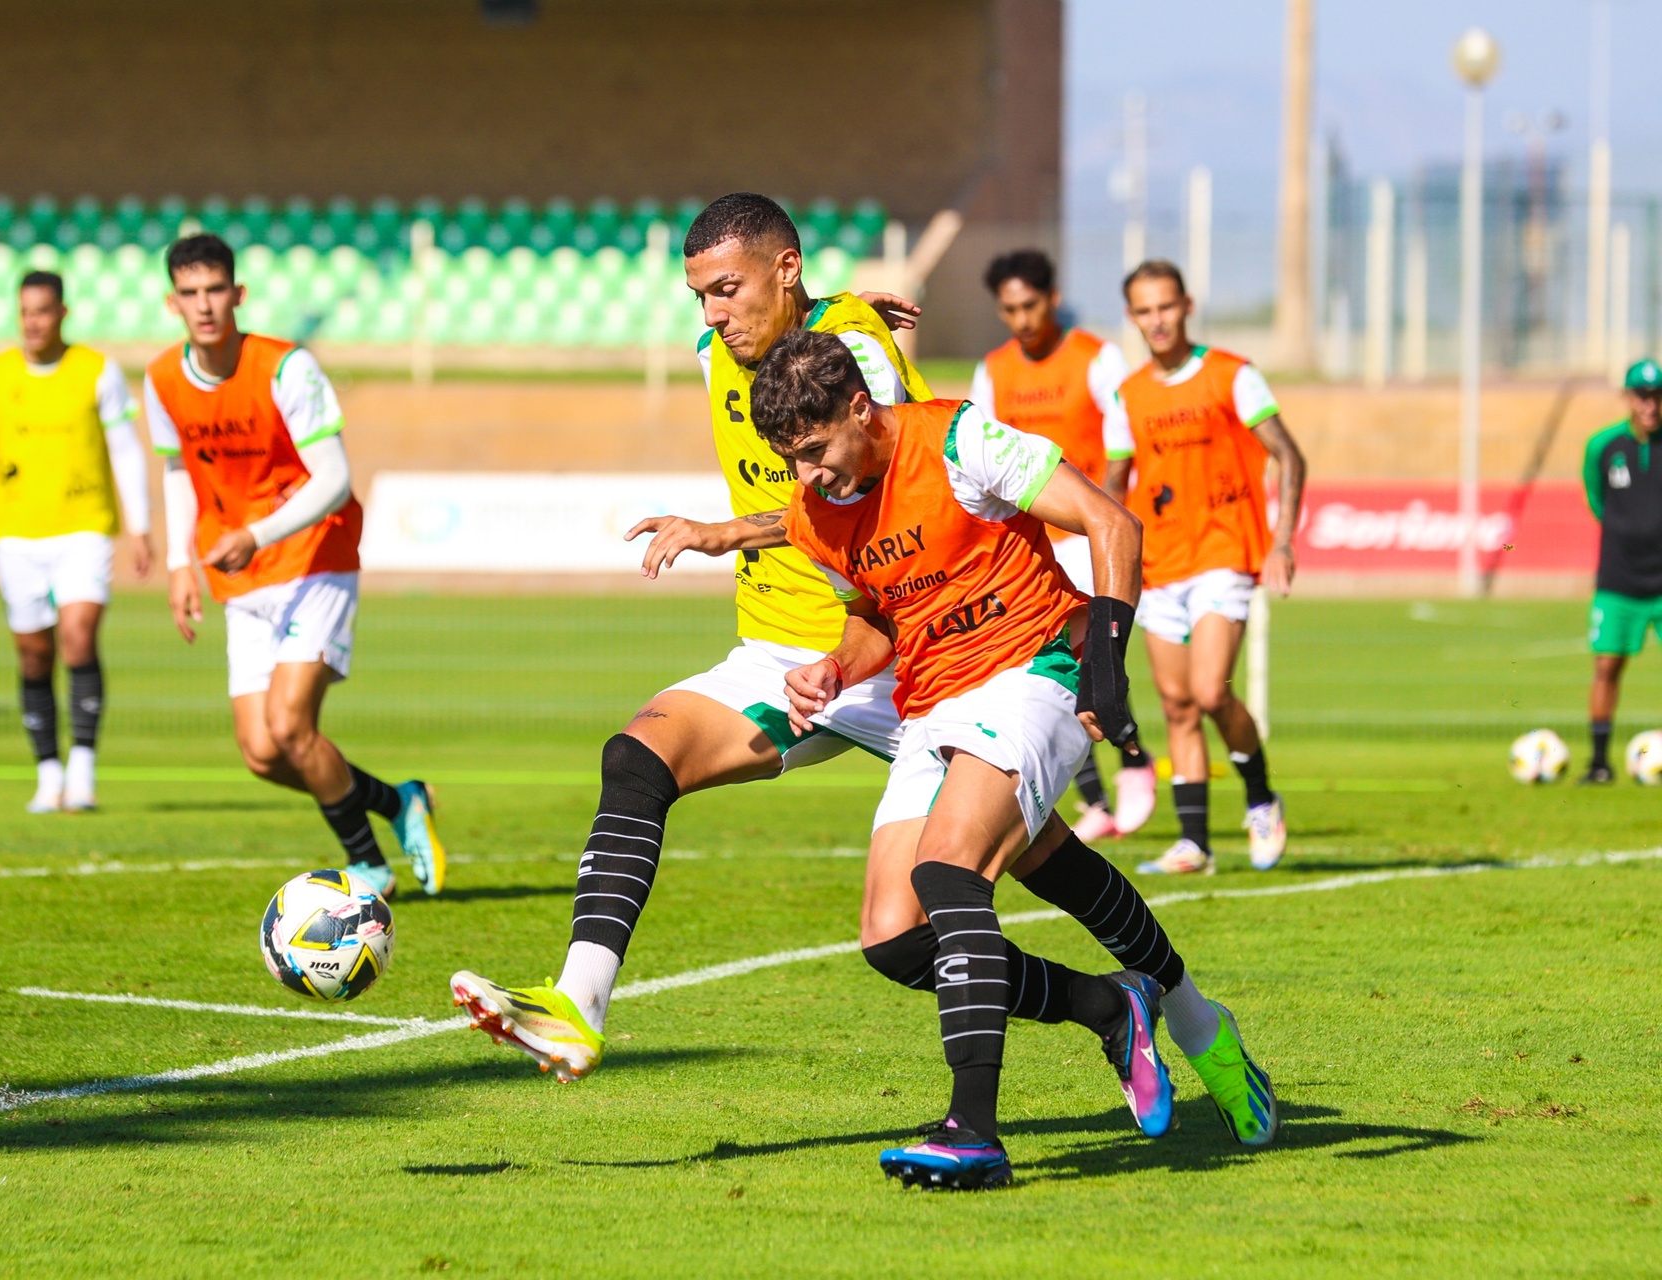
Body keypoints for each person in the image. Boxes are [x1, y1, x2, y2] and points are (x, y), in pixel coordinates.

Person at [757, 329, 1276, 1189]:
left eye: (816, 452)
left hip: (1036, 667)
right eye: (793, 461)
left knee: (951, 871)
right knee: (896, 938)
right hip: (932, 701)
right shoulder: (817, 512)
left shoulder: (960, 438)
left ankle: (974, 1129)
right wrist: (835, 665)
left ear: (860, 408)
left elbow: (1111, 521)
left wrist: (1107, 669)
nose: (809, 476)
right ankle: (1120, 1006)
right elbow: (878, 616)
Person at [449, 192, 937, 1079]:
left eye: (726, 290)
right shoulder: (726, 346)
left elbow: (880, 487)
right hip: (787, 657)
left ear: (784, 270)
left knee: (978, 899)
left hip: (901, 649)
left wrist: (723, 531)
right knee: (638, 757)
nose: (712, 316)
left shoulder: (856, 352)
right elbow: (794, 311)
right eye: (699, 297)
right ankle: (576, 1007)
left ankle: (1149, 1002)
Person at [146, 233, 442, 899]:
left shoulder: (285, 368)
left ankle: (367, 867)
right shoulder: (162, 377)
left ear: (238, 294)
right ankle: (398, 801)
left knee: (289, 725)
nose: (204, 306)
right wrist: (176, 564)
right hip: (240, 573)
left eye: (215, 290)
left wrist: (258, 531)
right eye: (189, 293)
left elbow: (334, 477)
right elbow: (175, 469)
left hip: (315, 555)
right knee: (262, 754)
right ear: (173, 301)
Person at [1107, 261, 1305, 875]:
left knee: (1208, 687)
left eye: (1165, 306)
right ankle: (1195, 843)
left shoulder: (1232, 375)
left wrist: (1282, 542)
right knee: (1176, 704)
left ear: (1187, 306)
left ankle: (1261, 799)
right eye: (1143, 311)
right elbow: (1113, 487)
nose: (1156, 320)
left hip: (1224, 554)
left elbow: (1289, 457)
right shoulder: (1129, 395)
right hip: (1161, 564)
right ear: (1133, 317)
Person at [0, 271, 152, 810]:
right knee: (33, 654)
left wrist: (140, 525)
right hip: (16, 535)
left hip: (85, 526)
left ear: (62, 312)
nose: (33, 322)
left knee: (78, 637)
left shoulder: (96, 371)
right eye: (25, 312)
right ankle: (47, 771)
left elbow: (126, 450)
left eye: (42, 311)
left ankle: (82, 770)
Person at [971, 248, 1156, 842]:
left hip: (1089, 535)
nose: (1021, 319)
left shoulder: (1096, 359)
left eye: (1030, 305)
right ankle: (1099, 795)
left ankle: (1131, 757)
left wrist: (1107, 514)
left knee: (1089, 665)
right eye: (1009, 310)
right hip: (1031, 545)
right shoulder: (993, 370)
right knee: (1046, 674)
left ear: (1052, 299)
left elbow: (1127, 437)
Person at [1580, 357, 1662, 783]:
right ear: (1628, 397)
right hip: (1619, 579)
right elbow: (1597, 499)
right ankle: (1599, 762)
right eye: (1643, 395)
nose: (1651, 404)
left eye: (1657, 396)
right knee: (1607, 666)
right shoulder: (1604, 446)